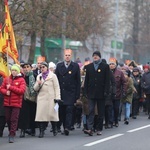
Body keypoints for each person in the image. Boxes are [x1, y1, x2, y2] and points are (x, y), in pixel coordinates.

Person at [83, 51, 110, 136]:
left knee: (100, 111)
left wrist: (106, 91)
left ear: (100, 57)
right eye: (94, 56)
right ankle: (89, 128)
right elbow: (86, 80)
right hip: (91, 92)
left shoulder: (105, 66)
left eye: (97, 56)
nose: (95, 57)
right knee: (91, 110)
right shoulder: (89, 67)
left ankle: (99, 128)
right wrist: (85, 91)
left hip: (101, 92)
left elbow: (107, 80)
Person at [55, 49, 81, 136]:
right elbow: (56, 80)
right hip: (61, 92)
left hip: (71, 92)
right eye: (66, 55)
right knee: (62, 111)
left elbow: (78, 81)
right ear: (64, 56)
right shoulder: (59, 66)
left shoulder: (75, 66)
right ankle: (62, 125)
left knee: (69, 110)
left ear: (71, 56)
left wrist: (77, 94)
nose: (67, 56)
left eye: (69, 55)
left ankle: (67, 127)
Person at [34, 62, 61, 138]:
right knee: (41, 116)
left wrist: (57, 97)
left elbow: (56, 87)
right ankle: (41, 131)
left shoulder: (53, 76)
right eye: (41, 67)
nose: (42, 68)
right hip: (42, 98)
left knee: (52, 115)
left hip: (51, 98)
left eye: (43, 67)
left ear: (47, 67)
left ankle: (55, 128)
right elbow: (35, 89)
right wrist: (38, 83)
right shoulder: (39, 76)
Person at [0, 64, 26, 143]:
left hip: (16, 103)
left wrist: (11, 88)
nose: (13, 72)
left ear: (17, 71)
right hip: (7, 103)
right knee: (8, 119)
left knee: (14, 119)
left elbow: (21, 91)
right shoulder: (7, 79)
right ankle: (10, 130)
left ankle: (12, 134)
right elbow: (1, 88)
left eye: (15, 70)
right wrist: (5, 92)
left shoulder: (21, 80)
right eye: (12, 70)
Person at [18, 62, 37, 137]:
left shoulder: (35, 76)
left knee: (33, 114)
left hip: (33, 98)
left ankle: (32, 129)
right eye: (24, 67)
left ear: (31, 68)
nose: (26, 69)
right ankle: (23, 130)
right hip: (24, 98)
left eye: (27, 67)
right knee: (23, 114)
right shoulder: (21, 77)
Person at [109, 58, 127, 127]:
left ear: (115, 65)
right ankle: (111, 121)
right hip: (109, 94)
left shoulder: (120, 73)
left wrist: (124, 91)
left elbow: (124, 83)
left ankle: (116, 120)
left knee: (116, 108)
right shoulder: (107, 72)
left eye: (113, 64)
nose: (111, 65)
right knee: (110, 109)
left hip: (117, 93)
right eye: (110, 64)